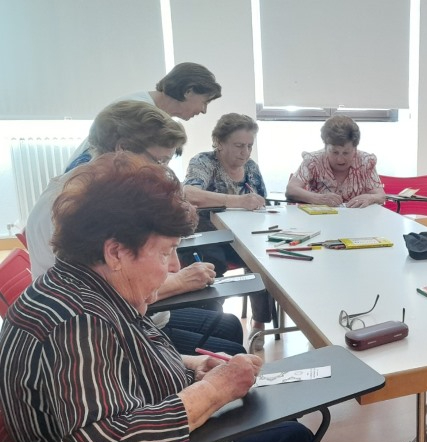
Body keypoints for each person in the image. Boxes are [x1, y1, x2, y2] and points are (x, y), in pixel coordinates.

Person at [0, 153, 377, 442]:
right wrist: (214, 391)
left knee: (274, 425)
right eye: (165, 252)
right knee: (290, 439)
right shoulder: (78, 322)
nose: (174, 266)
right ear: (116, 251)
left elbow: (114, 362)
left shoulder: (72, 286)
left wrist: (189, 364)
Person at [25, 100, 246, 356]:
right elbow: (100, 296)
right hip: (109, 331)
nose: (163, 172)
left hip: (136, 316)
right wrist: (181, 281)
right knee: (230, 352)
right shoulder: (73, 208)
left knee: (229, 327)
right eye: (160, 161)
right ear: (123, 150)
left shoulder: (105, 191)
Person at [183, 113, 273, 349]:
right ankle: (213, 324)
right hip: (208, 236)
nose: (245, 152)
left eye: (249, 146)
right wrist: (238, 201)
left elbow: (261, 199)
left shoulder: (251, 168)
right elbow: (189, 194)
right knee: (213, 264)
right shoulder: (204, 162)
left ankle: (259, 324)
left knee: (265, 262)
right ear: (219, 142)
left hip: (245, 235)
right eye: (238, 145)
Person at [66, 62, 222, 171]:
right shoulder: (139, 112)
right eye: (205, 102)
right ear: (189, 91)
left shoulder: (146, 106)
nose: (204, 111)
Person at [285, 115, 385, 208]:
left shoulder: (365, 162)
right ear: (325, 147)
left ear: (355, 148)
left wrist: (370, 198)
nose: (340, 159)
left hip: (356, 220)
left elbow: (381, 196)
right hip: (319, 220)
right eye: (334, 152)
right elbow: (291, 189)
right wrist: (319, 199)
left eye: (346, 153)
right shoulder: (313, 160)